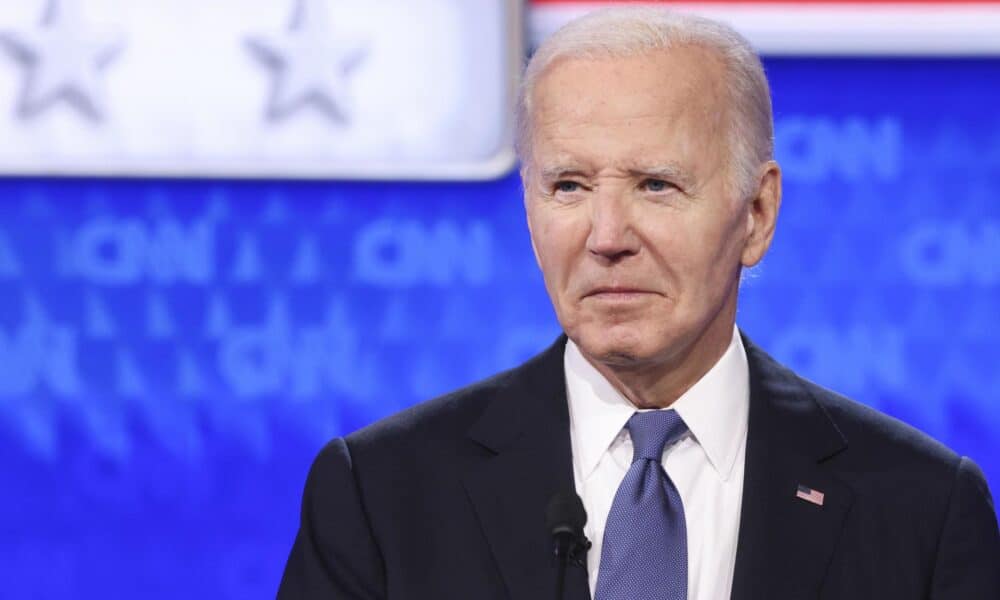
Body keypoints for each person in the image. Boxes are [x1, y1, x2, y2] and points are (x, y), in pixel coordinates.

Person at [277, 8, 1000, 600]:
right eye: (568, 186)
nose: (606, 236)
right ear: (530, 211)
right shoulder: (379, 495)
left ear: (757, 213)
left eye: (655, 184)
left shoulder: (921, 511)